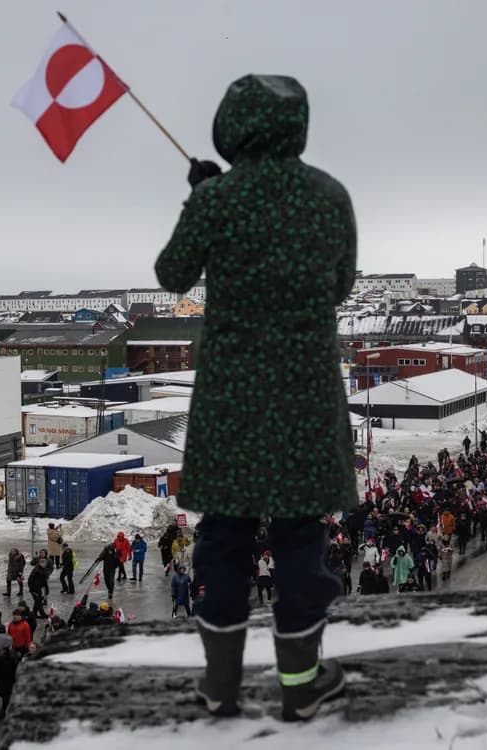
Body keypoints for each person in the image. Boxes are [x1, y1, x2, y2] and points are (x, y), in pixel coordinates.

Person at [155, 74, 354, 721]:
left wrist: (203, 199)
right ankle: (299, 681)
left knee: (225, 536)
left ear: (230, 126)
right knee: (301, 537)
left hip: (231, 396)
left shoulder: (219, 199)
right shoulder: (329, 196)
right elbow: (341, 285)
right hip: (304, 392)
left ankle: (220, 687)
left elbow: (171, 274)